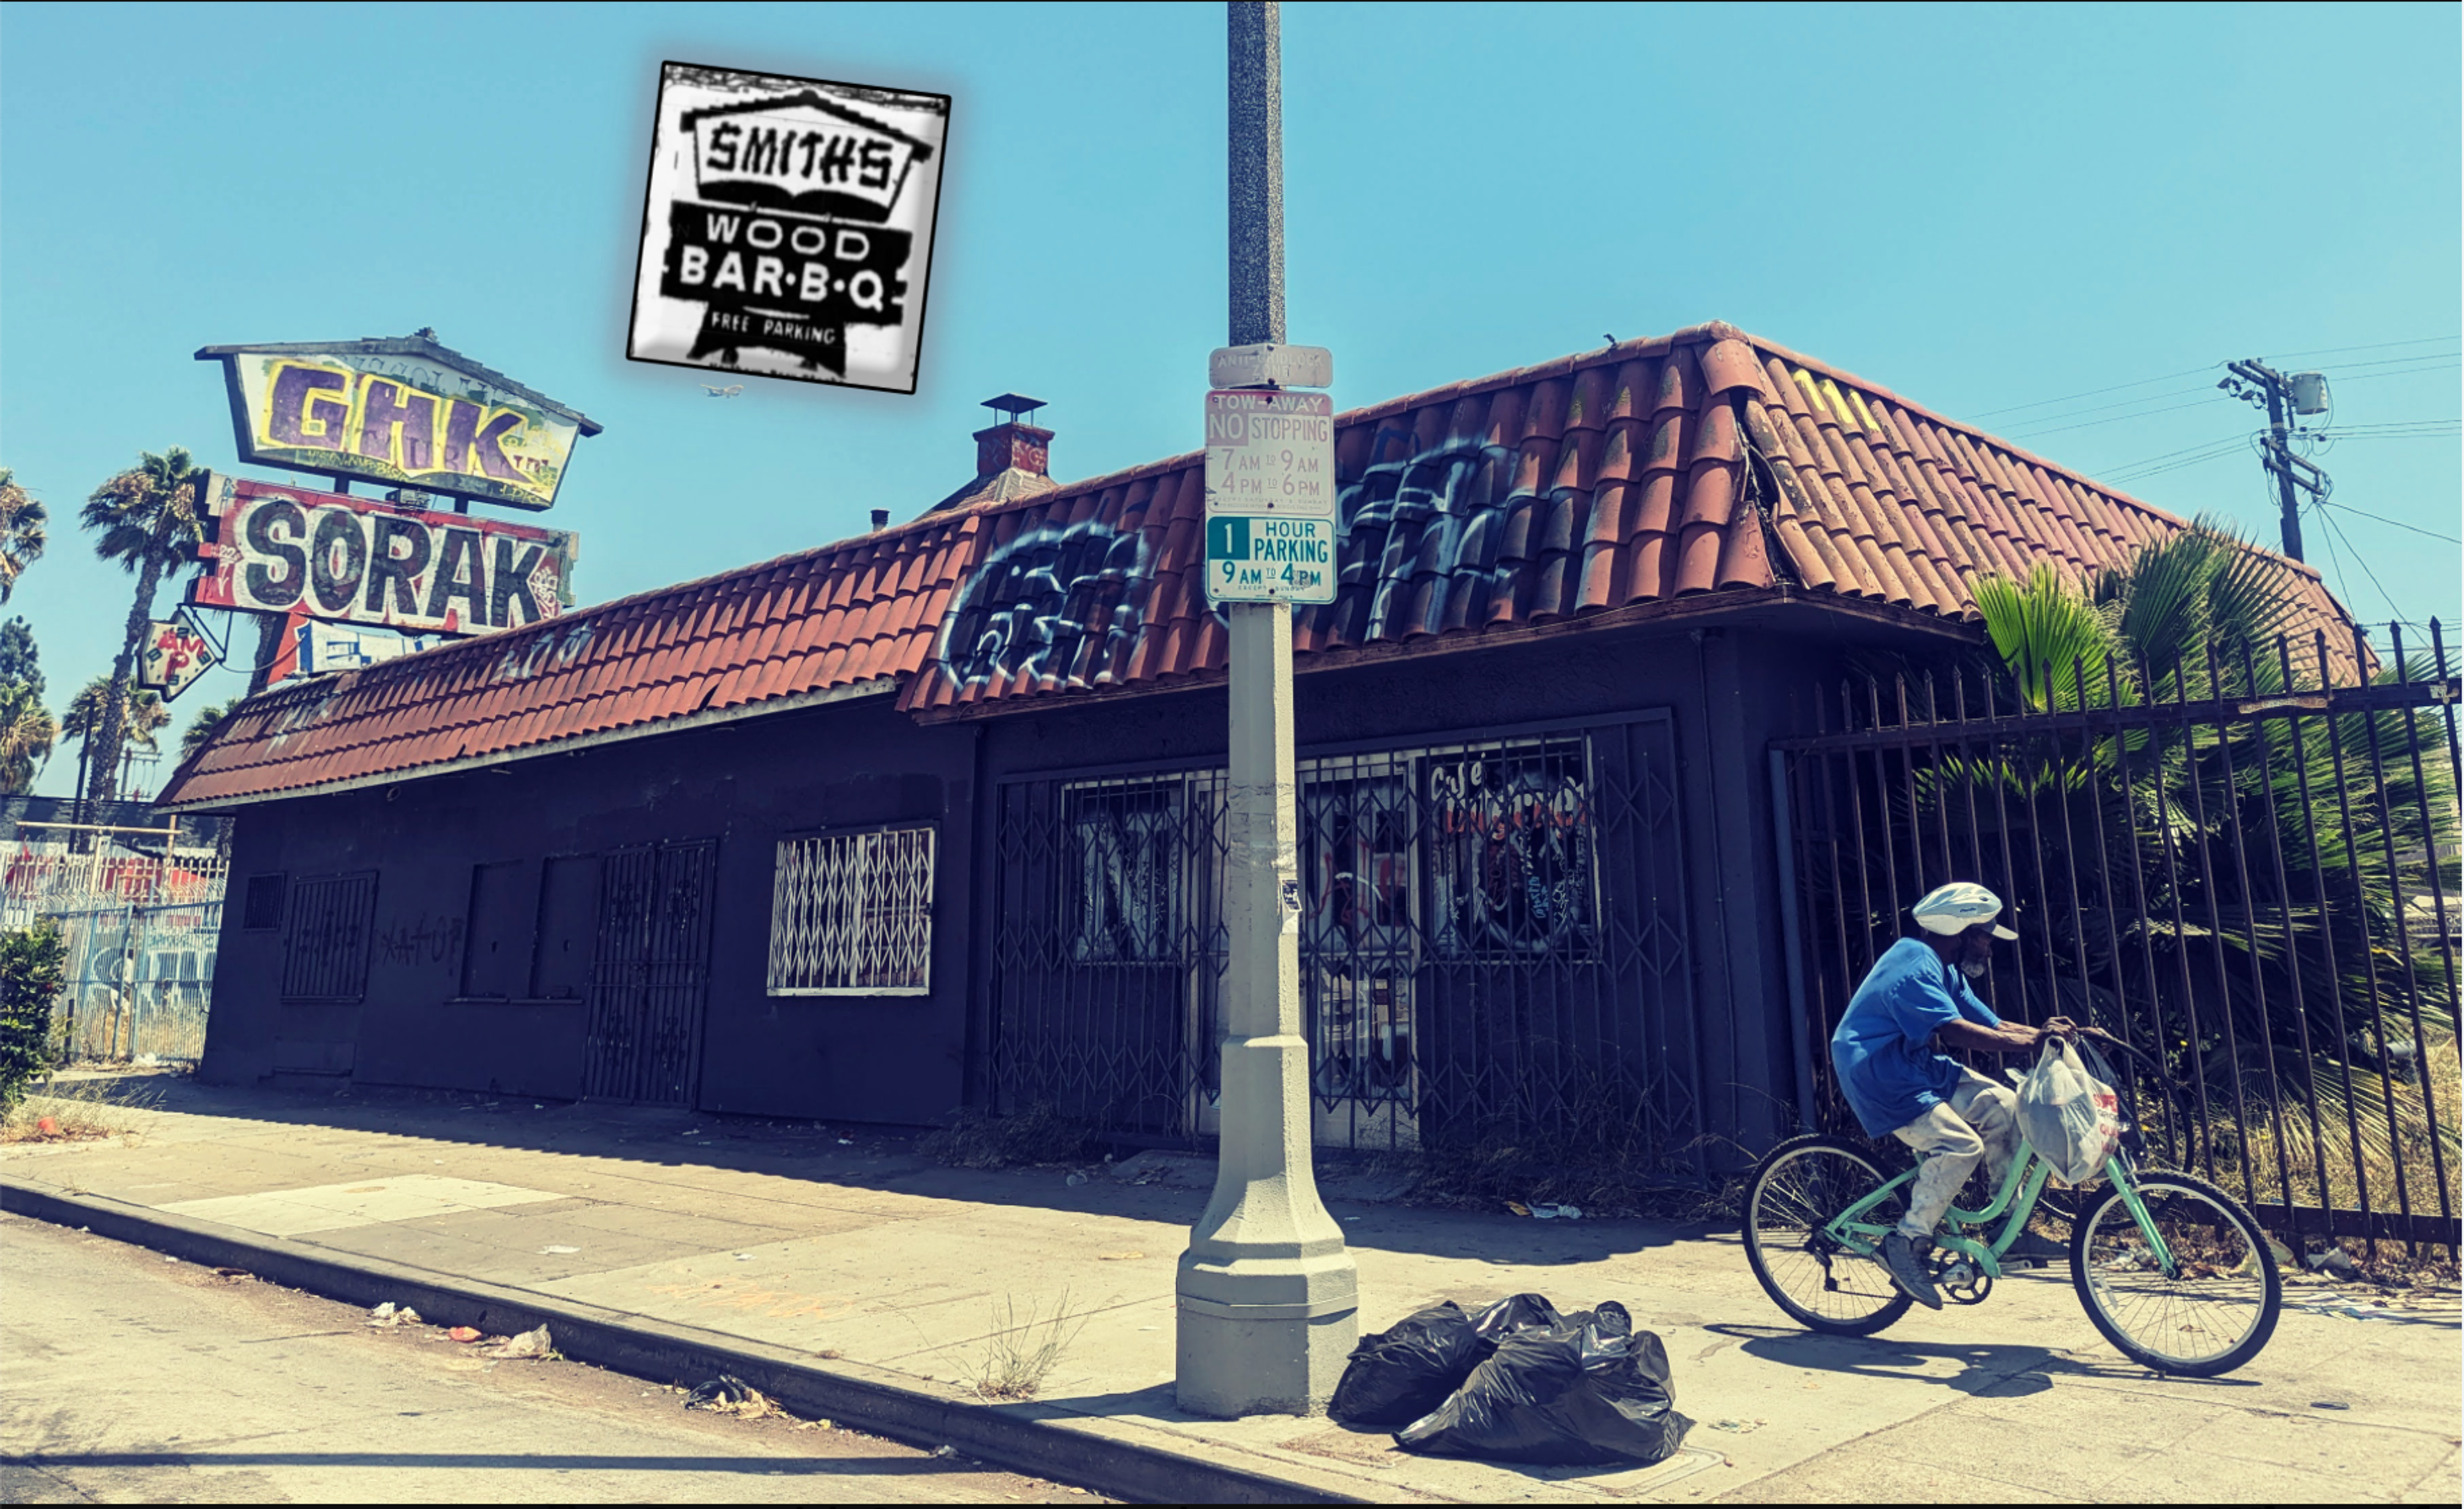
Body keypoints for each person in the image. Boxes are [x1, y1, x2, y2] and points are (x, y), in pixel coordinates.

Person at [1830, 881, 2073, 1308]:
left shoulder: (1944, 970)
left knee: (2007, 1108)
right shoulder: (1913, 968)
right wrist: (2031, 1044)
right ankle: (1905, 1241)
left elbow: (1995, 1026)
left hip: (1913, 1065)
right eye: (1984, 936)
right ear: (1958, 931)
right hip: (1880, 1073)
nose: (1989, 947)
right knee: (1961, 1146)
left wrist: (2053, 1036)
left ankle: (2004, 1230)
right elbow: (1955, 1031)